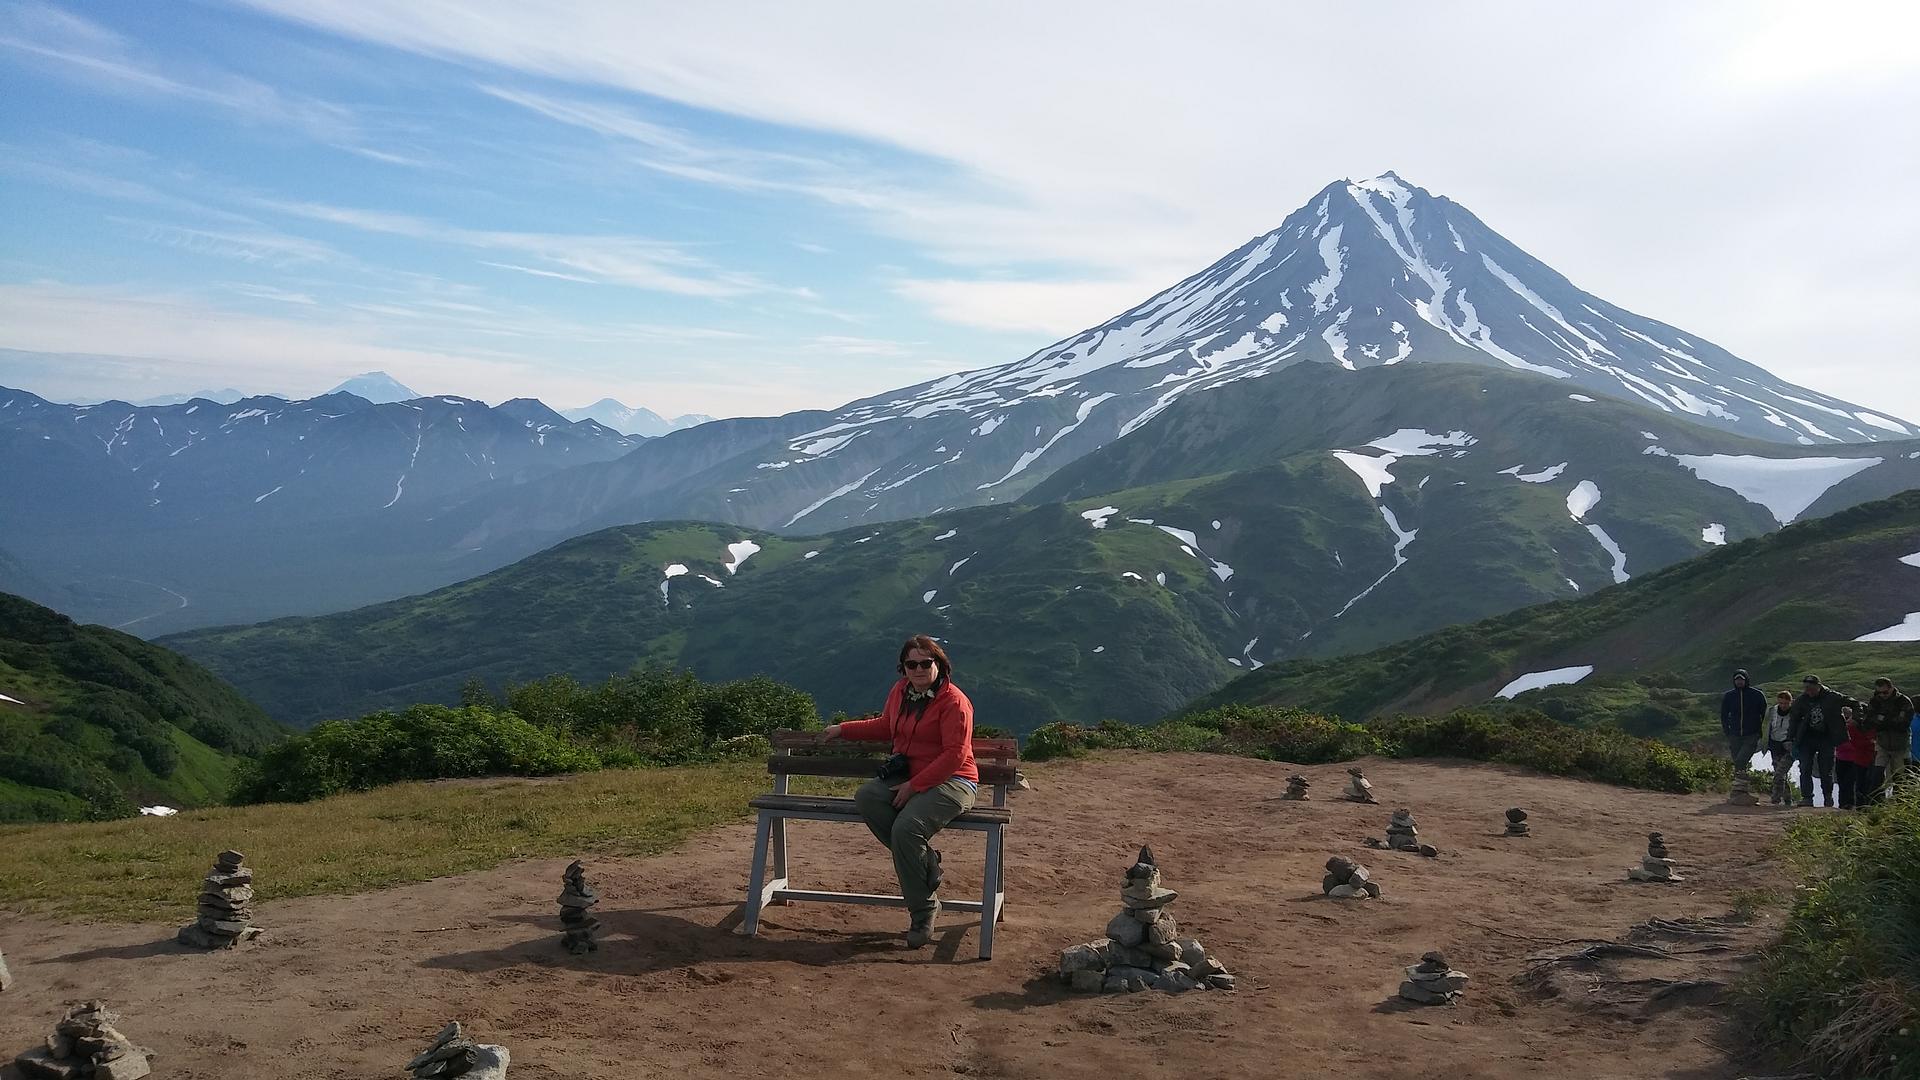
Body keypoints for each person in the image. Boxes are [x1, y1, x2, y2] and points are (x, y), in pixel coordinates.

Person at [823, 635, 979, 948]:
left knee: (906, 829)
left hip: (954, 781)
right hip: (910, 775)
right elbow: (885, 725)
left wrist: (914, 786)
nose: (918, 669)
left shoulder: (954, 702)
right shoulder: (900, 692)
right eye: (911, 664)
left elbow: (955, 755)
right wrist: (843, 729)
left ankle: (923, 911)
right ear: (903, 668)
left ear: (939, 665)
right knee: (867, 797)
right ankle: (925, 860)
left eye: (925, 663)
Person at [1787, 675, 1864, 808]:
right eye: (1806, 688)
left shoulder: (1832, 697)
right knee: (1805, 767)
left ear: (1819, 686)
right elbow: (1793, 720)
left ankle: (1828, 798)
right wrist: (1789, 739)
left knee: (1826, 769)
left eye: (1811, 688)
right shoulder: (1801, 700)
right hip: (1807, 738)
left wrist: (1855, 719)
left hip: (1827, 737)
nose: (1809, 691)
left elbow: (1855, 703)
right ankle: (1807, 798)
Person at [1859, 676, 1914, 801]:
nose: (1882, 695)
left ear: (1891, 688)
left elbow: (1903, 724)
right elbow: (1868, 722)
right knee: (1876, 776)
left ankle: (1901, 803)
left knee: (1900, 778)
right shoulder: (1875, 701)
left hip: (1900, 745)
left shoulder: (1903, 701)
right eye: (1879, 692)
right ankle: (1876, 803)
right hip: (1882, 743)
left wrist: (1881, 719)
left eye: (1885, 692)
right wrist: (1888, 720)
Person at [1720, 669, 1767, 773]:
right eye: (1737, 680)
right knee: (1737, 762)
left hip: (1751, 735)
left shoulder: (1757, 695)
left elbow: (1765, 715)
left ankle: (1740, 780)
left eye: (1741, 679)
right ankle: (1741, 780)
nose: (1739, 682)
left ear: (1746, 680)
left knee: (1740, 761)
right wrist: (1727, 731)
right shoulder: (1729, 696)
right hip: (1734, 735)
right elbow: (1724, 715)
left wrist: (1760, 732)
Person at [1833, 706, 1879, 811]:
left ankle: (1861, 806)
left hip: (1861, 759)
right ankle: (1846, 806)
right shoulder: (1849, 727)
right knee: (1846, 784)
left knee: (1863, 784)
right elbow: (1856, 742)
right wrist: (1869, 742)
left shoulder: (1870, 728)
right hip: (1850, 758)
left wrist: (1869, 743)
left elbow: (1859, 742)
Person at [1765, 689, 1795, 805]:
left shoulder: (1795, 713)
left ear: (1790, 702)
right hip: (1775, 746)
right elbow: (1767, 726)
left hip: (1789, 748)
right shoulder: (1772, 711)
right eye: (1781, 703)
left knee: (1780, 773)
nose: (1783, 706)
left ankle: (1776, 799)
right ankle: (1787, 800)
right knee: (1780, 774)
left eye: (1786, 703)